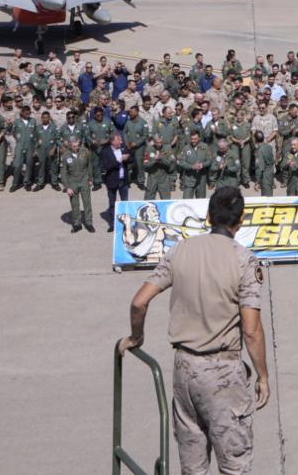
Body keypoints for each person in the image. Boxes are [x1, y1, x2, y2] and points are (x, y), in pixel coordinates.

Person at [119, 186, 270, 475]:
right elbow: (251, 331)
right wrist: (262, 375)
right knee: (234, 465)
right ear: (241, 221)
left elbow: (139, 302)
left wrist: (136, 337)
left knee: (193, 465)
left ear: (209, 215)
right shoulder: (244, 260)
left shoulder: (181, 250)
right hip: (222, 372)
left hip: (184, 369)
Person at [60, 132, 96, 233]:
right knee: (75, 204)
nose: (76, 148)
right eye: (74, 146)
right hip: (73, 182)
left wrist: (90, 178)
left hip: (84, 180)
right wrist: (67, 187)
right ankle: (77, 224)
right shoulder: (66, 156)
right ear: (70, 145)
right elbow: (63, 172)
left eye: (78, 145)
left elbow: (89, 164)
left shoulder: (85, 152)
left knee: (87, 203)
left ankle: (89, 223)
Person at [101, 132, 131, 231]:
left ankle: (126, 224)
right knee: (112, 204)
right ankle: (113, 224)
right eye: (119, 140)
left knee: (125, 203)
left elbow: (133, 160)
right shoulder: (105, 151)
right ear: (113, 141)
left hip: (123, 181)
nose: (121, 141)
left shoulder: (123, 148)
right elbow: (106, 166)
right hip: (112, 181)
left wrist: (127, 158)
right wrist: (119, 161)